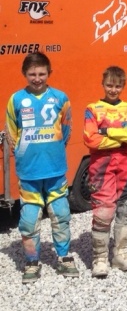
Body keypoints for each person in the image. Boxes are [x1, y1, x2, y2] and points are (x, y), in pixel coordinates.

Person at [5, 52, 78, 283]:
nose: (37, 78)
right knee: (28, 219)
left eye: (41, 73)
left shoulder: (60, 98)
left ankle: (65, 257)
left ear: (49, 73)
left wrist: (53, 150)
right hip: (29, 173)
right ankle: (32, 261)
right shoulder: (15, 99)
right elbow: (11, 133)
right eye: (32, 74)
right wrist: (25, 156)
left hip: (55, 171)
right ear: (24, 74)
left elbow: (66, 130)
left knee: (61, 216)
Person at [83, 66, 127, 278]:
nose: (113, 89)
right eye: (109, 85)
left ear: (123, 86)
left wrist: (106, 131)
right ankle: (99, 258)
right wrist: (122, 135)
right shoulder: (92, 108)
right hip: (101, 169)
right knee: (103, 211)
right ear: (103, 84)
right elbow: (91, 139)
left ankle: (121, 254)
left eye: (118, 86)